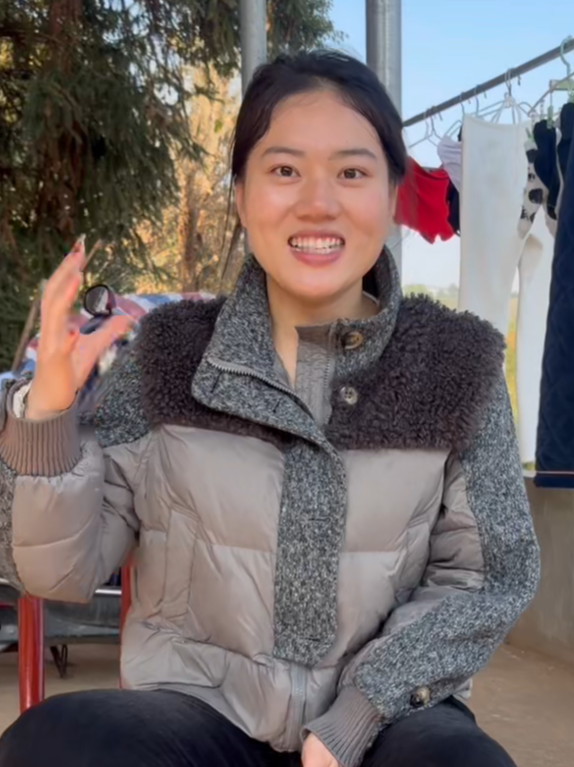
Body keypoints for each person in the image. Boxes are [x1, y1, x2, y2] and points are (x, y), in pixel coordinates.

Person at [0, 50, 540, 767]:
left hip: (390, 719)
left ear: (392, 194)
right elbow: (57, 573)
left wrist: (357, 713)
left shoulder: (457, 363)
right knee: (56, 746)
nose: (318, 202)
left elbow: (488, 576)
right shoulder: (168, 354)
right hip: (198, 709)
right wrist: (44, 419)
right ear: (241, 193)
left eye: (351, 172)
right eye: (285, 170)